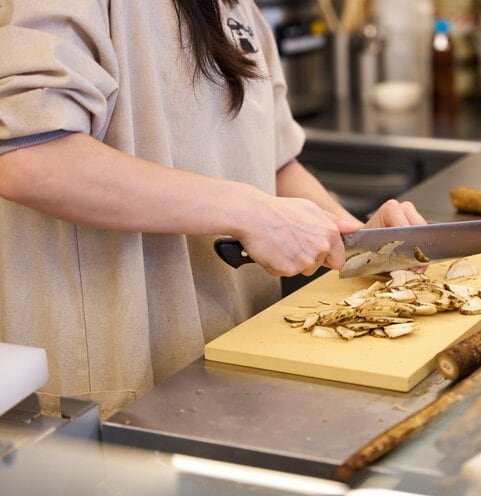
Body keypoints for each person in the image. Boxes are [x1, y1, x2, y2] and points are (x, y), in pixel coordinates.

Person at [0, 0, 426, 418]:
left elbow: (274, 164)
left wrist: (359, 242)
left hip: (235, 367)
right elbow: (29, 158)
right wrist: (248, 210)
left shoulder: (240, 9)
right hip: (113, 394)